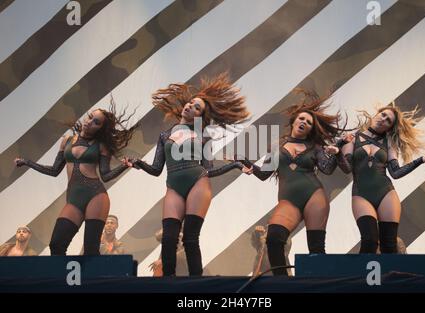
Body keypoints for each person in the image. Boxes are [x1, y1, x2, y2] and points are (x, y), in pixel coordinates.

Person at [130, 73, 250, 276]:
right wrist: (138, 163)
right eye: (191, 103)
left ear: (200, 117)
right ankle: (167, 283)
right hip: (173, 186)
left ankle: (196, 284)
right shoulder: (165, 135)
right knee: (169, 238)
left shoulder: (203, 137)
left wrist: (236, 165)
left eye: (197, 108)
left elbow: (209, 170)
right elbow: (157, 169)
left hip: (198, 183)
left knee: (190, 238)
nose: (190, 107)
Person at [239, 90, 345, 275]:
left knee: (316, 248)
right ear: (294, 121)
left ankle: (319, 287)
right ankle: (283, 284)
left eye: (309, 122)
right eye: (302, 119)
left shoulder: (316, 148)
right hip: (289, 201)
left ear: (311, 129)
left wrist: (336, 154)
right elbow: (264, 174)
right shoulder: (276, 147)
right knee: (273, 239)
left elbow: (327, 169)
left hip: (314, 196)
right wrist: (245, 163)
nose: (304, 122)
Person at [15, 100, 137, 255]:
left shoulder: (100, 146)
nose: (89, 122)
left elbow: (105, 176)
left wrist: (125, 165)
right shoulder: (67, 140)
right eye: (90, 117)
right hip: (73, 200)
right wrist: (27, 162)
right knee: (56, 245)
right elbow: (54, 170)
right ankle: (63, 279)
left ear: (100, 128)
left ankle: (92, 279)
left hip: (96, 196)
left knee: (91, 250)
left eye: (96, 122)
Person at [338, 104, 425, 253]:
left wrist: (421, 160)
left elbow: (396, 173)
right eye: (382, 114)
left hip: (386, 193)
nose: (383, 119)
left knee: (389, 244)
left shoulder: (389, 143)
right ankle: (360, 277)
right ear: (376, 114)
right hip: (361, 194)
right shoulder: (353, 138)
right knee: (369, 241)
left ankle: (390, 277)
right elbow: (347, 168)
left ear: (389, 128)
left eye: (388, 120)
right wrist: (338, 151)